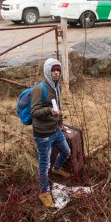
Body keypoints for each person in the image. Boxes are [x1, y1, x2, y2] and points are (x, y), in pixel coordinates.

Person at [31, 58, 72, 208]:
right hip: (43, 134)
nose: (56, 73)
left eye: (58, 70)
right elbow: (34, 111)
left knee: (66, 151)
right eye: (53, 70)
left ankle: (57, 168)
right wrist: (49, 110)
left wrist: (60, 123)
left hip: (55, 130)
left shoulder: (57, 87)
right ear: (47, 71)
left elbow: (58, 106)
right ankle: (44, 192)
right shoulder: (39, 89)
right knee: (44, 163)